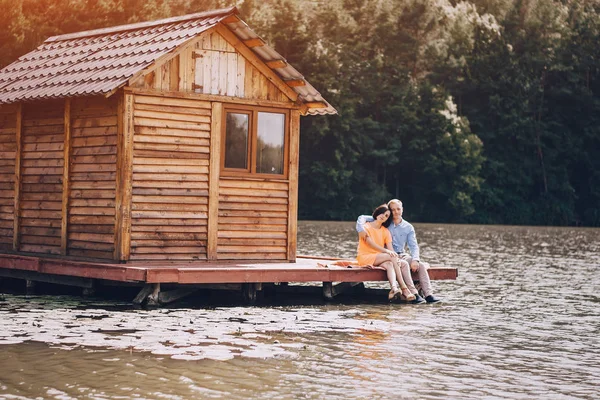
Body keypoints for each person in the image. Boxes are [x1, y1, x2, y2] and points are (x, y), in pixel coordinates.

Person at [356, 199, 441, 304]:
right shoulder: (385, 221)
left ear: (402, 210)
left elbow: (414, 246)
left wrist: (415, 260)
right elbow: (362, 218)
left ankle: (429, 295)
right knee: (404, 264)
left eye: (398, 209)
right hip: (385, 255)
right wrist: (360, 229)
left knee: (421, 265)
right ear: (389, 211)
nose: (396, 212)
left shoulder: (408, 227)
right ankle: (414, 293)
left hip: (401, 254)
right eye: (393, 210)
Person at [356, 204, 416, 302]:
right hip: (365, 257)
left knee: (389, 264)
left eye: (387, 215)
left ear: (387, 220)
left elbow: (390, 249)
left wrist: (396, 259)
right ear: (377, 213)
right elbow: (370, 244)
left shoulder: (385, 231)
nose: (383, 216)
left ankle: (394, 288)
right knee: (390, 256)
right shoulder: (365, 227)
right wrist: (387, 252)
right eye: (382, 213)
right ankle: (404, 289)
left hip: (378, 258)